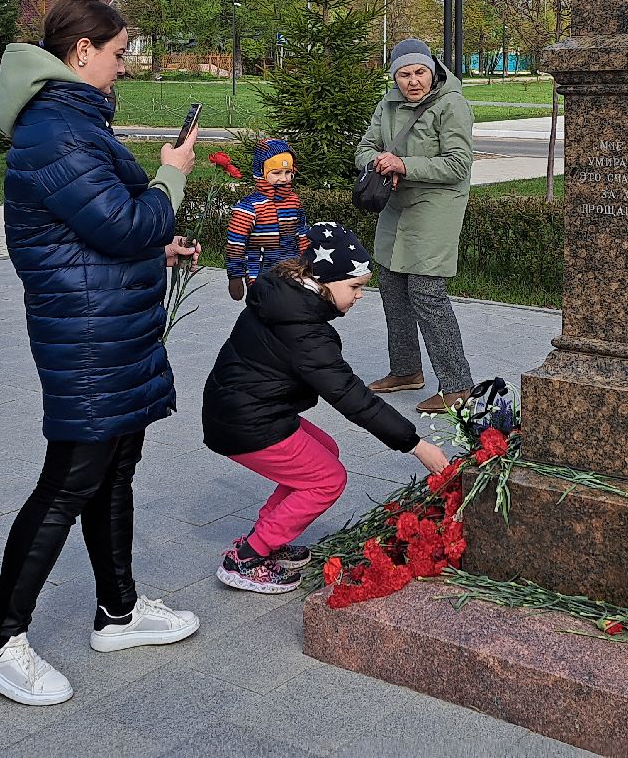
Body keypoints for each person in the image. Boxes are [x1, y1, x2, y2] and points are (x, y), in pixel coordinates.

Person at [0, 0, 201, 707]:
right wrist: (173, 175)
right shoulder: (57, 132)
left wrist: (157, 246)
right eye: (119, 54)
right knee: (70, 478)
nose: (122, 68)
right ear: (81, 52)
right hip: (88, 334)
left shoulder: (71, 123)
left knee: (113, 466)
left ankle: (118, 612)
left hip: (106, 323)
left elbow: (98, 231)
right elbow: (125, 223)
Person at [203, 222, 448, 594]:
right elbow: (352, 397)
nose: (360, 296)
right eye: (355, 287)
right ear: (324, 280)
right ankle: (247, 559)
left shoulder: (285, 295)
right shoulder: (304, 330)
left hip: (245, 409)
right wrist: (416, 445)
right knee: (328, 479)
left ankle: (267, 535)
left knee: (326, 452)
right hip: (246, 422)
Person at [354, 38, 478, 414]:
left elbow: (458, 164)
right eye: (404, 74)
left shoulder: (451, 104)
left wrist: (404, 165)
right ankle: (406, 370)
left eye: (420, 72)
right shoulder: (387, 104)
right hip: (396, 204)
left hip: (436, 207)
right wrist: (380, 161)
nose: (413, 81)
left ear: (432, 69)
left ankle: (458, 385)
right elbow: (363, 148)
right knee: (391, 285)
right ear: (394, 76)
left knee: (427, 293)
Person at [225, 138, 309, 301]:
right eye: (276, 173)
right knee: (265, 314)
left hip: (293, 270)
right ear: (261, 172)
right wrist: (235, 277)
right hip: (260, 274)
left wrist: (308, 263)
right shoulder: (248, 207)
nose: (284, 179)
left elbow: (302, 234)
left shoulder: (294, 201)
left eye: (288, 173)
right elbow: (236, 243)